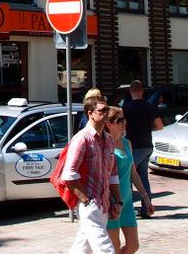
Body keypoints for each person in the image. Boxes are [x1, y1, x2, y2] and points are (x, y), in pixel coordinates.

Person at [61, 94, 122, 254]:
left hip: (104, 203)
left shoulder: (109, 140)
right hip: (90, 205)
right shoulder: (82, 139)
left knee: (82, 248)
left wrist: (118, 200)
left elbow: (113, 173)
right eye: (102, 110)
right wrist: (86, 200)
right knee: (105, 249)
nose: (106, 113)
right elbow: (69, 174)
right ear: (90, 113)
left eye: (107, 109)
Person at [105, 106, 154, 254]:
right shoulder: (105, 146)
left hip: (127, 202)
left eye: (124, 119)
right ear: (108, 124)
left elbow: (133, 172)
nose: (124, 123)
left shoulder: (127, 143)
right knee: (114, 247)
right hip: (112, 203)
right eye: (119, 120)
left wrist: (146, 198)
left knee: (133, 245)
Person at [122, 80, 163, 219]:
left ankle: (127, 209)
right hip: (147, 146)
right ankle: (146, 208)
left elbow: (122, 126)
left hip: (133, 146)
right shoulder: (149, 106)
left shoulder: (127, 107)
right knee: (143, 177)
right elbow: (159, 126)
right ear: (142, 91)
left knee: (128, 177)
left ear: (130, 92)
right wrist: (147, 129)